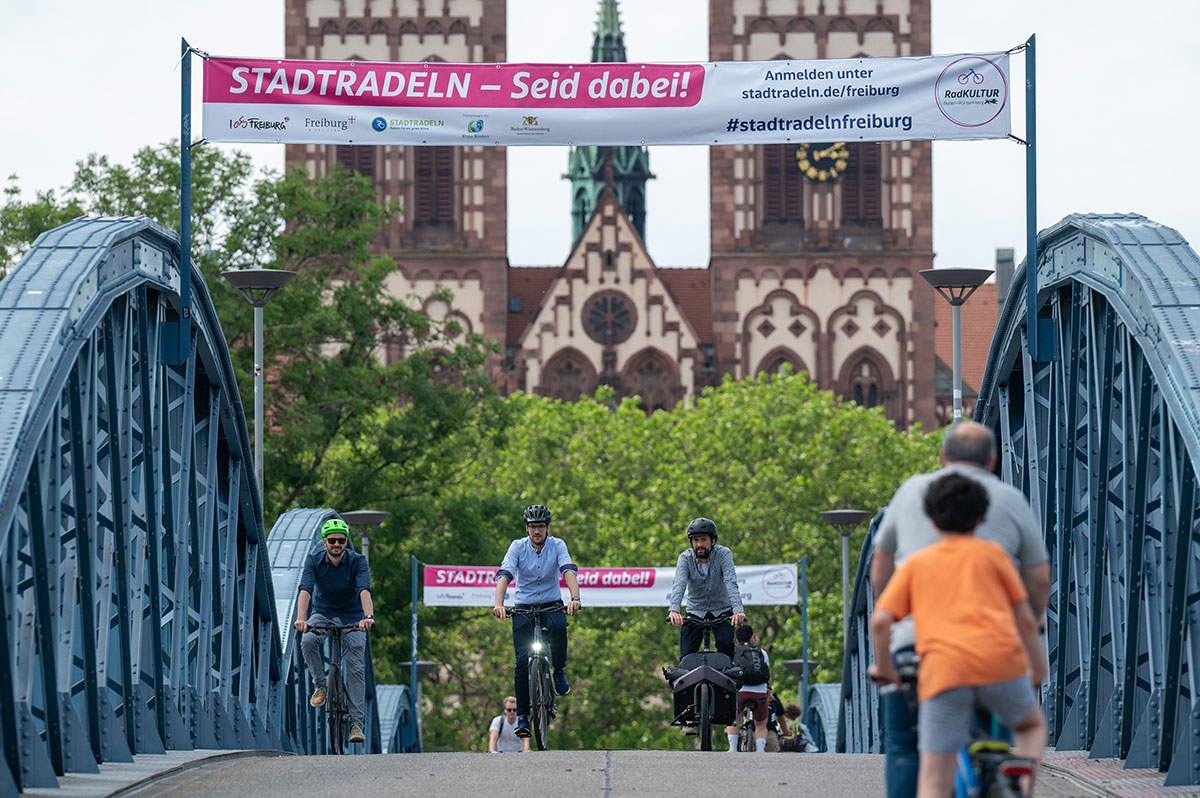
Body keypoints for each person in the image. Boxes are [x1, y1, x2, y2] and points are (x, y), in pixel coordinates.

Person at [871, 422, 1050, 798]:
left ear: (941, 458)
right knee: (1028, 726)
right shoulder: (1007, 511)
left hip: (927, 656)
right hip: (999, 656)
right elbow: (1035, 586)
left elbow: (881, 582)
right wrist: (1035, 663)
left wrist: (884, 663)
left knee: (910, 751)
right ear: (991, 462)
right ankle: (1019, 783)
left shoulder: (911, 501)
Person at [492, 504, 581, 738]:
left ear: (548, 528)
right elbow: (505, 573)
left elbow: (568, 570)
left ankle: (559, 671)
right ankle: (522, 716)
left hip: (551, 604)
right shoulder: (517, 547)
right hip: (523, 609)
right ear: (527, 528)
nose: (537, 531)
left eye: (541, 527)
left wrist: (575, 598)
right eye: (532, 527)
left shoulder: (558, 545)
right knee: (521, 663)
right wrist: (499, 604)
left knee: (560, 627)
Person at [295, 517, 375, 744]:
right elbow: (305, 590)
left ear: (346, 541)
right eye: (332, 541)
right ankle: (321, 684)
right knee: (308, 640)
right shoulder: (314, 560)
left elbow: (364, 590)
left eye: (341, 540)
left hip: (353, 615)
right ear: (324, 541)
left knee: (356, 667)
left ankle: (356, 724)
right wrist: (301, 619)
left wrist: (367, 616)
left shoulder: (358, 561)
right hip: (323, 612)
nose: (337, 544)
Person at [667, 518, 745, 660]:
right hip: (695, 611)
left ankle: (728, 680)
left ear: (713, 540)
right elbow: (679, 583)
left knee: (726, 646)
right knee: (686, 656)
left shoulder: (723, 554)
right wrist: (674, 610)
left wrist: (738, 610)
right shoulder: (685, 558)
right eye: (695, 540)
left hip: (722, 611)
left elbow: (730, 581)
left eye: (703, 540)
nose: (699, 545)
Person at [726, 624, 771, 752]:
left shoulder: (734, 652)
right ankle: (760, 750)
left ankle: (733, 748)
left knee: (734, 719)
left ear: (737, 640)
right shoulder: (762, 652)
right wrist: (769, 692)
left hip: (740, 691)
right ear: (752, 638)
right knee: (761, 724)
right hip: (759, 692)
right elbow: (768, 674)